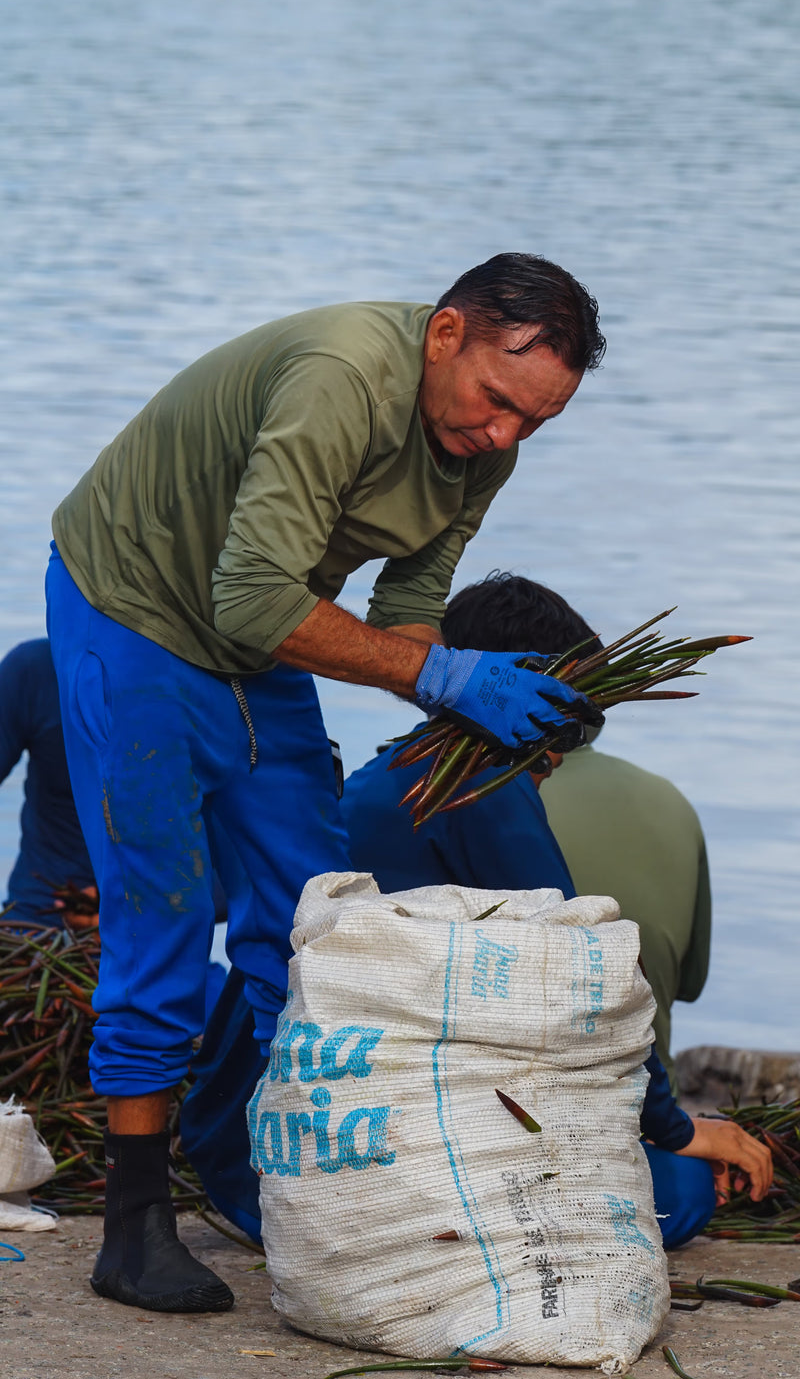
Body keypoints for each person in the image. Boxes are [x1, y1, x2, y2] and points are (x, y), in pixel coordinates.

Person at [46, 253, 606, 1312]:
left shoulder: (480, 449)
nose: (502, 438)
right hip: (135, 610)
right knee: (161, 915)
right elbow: (258, 599)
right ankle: (131, 1230)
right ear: (445, 334)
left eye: (532, 423)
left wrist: (481, 710)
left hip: (257, 636)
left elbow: (405, 613)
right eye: (495, 402)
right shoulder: (339, 376)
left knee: (313, 919)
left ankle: (291, 1184)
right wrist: (443, 675)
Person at [343, 573, 771, 1249]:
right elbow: (588, 982)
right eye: (558, 738)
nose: (554, 760)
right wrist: (679, 1128)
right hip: (417, 1134)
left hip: (368, 1101)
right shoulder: (485, 785)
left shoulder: (377, 776)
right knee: (679, 1190)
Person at [541, 728, 711, 1095]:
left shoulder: (478, 800)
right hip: (651, 1101)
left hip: (526, 1103)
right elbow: (691, 982)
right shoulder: (670, 799)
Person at [0, 639, 96, 927]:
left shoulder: (188, 680)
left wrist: (124, 906)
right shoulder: (35, 669)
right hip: (36, 916)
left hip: (151, 930)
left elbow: (231, 877)